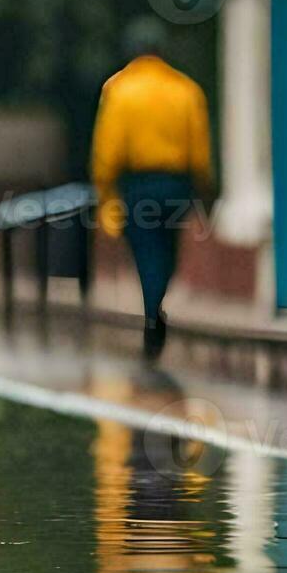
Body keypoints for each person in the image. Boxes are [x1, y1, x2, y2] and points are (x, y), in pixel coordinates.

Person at [91, 20, 213, 360]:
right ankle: (155, 308)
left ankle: (151, 314)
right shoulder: (186, 89)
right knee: (169, 252)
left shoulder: (119, 90)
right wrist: (203, 187)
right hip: (176, 184)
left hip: (138, 186)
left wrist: (105, 190)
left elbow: (107, 150)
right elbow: (200, 149)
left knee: (146, 252)